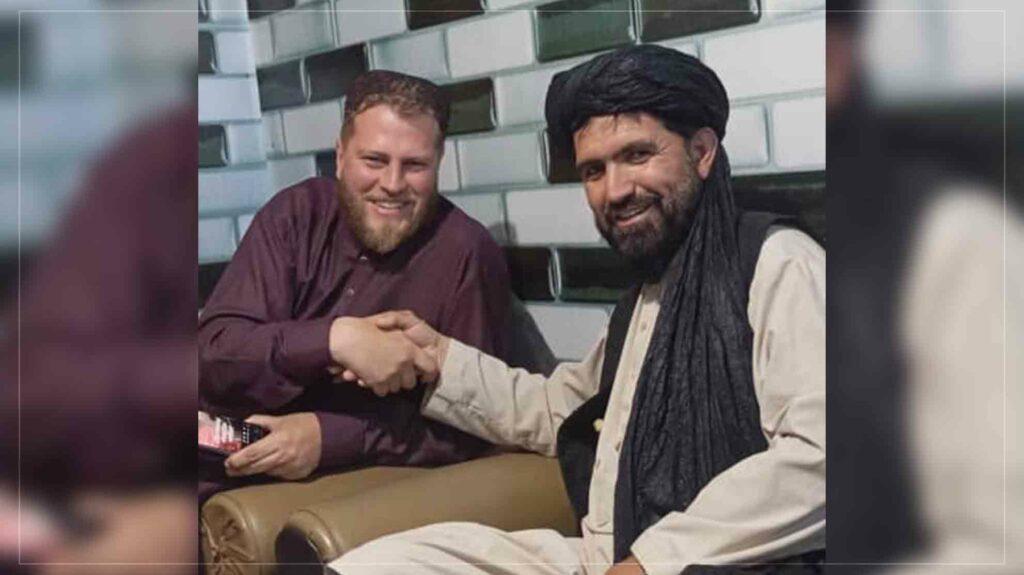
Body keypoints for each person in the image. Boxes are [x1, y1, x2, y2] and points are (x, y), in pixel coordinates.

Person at [328, 45, 825, 575]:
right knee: (380, 564)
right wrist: (436, 361)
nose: (615, 190)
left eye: (637, 155)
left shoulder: (777, 264)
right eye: (593, 170)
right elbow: (563, 409)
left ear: (701, 152)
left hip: (706, 564)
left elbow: (823, 458)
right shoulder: (647, 295)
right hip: (606, 557)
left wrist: (653, 561)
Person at [198, 71, 548, 499]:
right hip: (216, 453)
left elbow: (475, 424)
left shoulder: (467, 255)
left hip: (334, 492)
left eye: (415, 165)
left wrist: (328, 437)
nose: (393, 184)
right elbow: (214, 355)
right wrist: (335, 340)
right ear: (340, 156)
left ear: (439, 163)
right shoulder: (295, 214)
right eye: (375, 161)